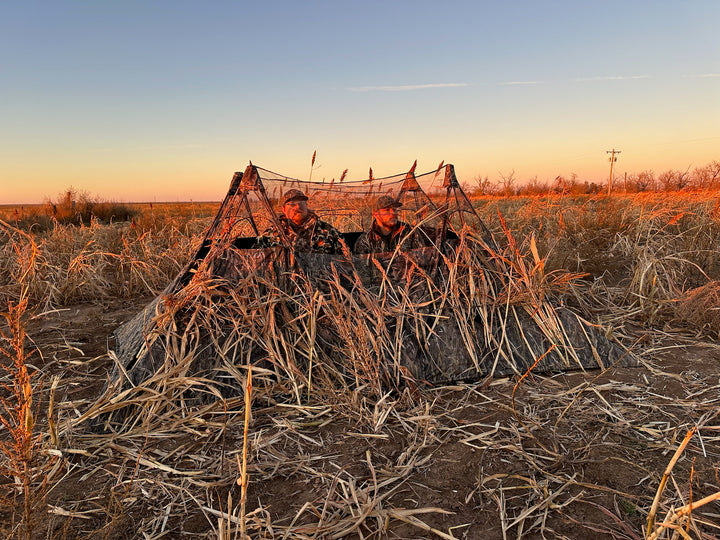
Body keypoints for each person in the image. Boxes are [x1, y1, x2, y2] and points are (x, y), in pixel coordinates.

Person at [255, 189, 344, 254]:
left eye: (301, 203)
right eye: (292, 204)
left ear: (306, 206)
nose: (297, 207)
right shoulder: (270, 235)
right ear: (284, 209)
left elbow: (346, 259)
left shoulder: (327, 231)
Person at [354, 195, 432, 254]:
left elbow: (421, 259)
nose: (393, 213)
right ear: (376, 214)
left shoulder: (409, 233)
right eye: (387, 210)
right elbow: (362, 270)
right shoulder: (366, 240)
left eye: (394, 210)